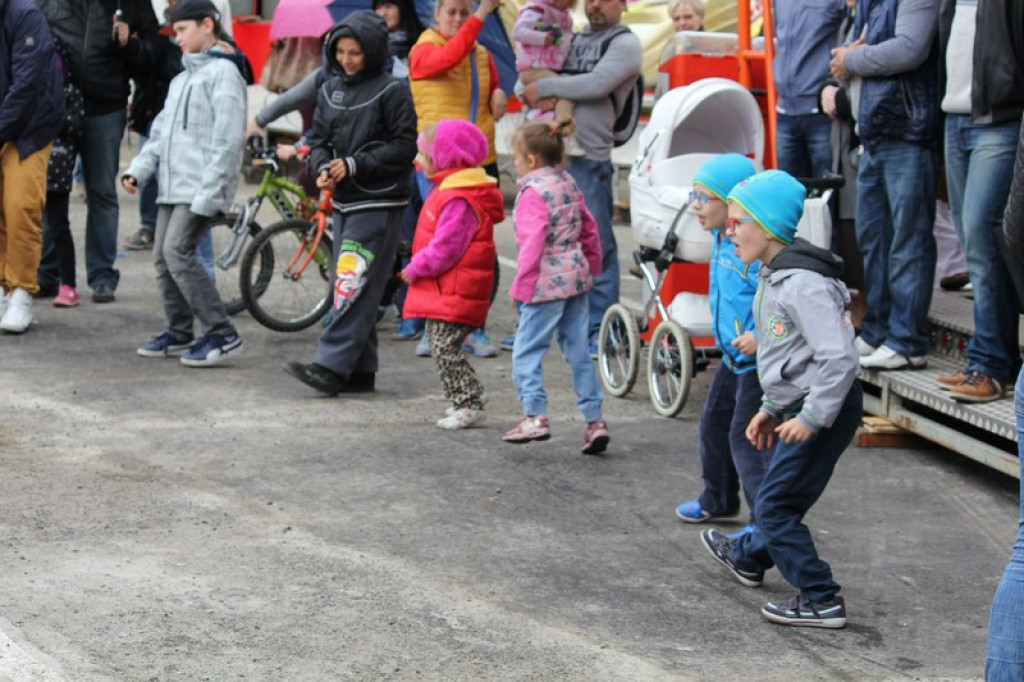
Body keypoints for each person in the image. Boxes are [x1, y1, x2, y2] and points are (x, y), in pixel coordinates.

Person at [700, 170, 863, 629]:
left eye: (736, 223)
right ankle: (750, 557)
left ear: (767, 227)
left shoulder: (801, 284)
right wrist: (771, 408)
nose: (727, 232)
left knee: (774, 505)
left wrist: (811, 417)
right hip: (804, 404)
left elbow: (838, 358)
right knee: (781, 498)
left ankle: (820, 596)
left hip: (824, 405)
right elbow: (792, 352)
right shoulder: (776, 275)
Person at [284, 11, 417, 395]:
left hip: (378, 201)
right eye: (340, 51)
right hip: (343, 201)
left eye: (355, 52)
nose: (346, 60)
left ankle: (330, 366)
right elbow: (320, 138)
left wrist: (356, 164)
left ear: (373, 50)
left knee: (350, 281)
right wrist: (323, 165)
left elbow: (405, 147)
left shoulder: (394, 90)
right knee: (355, 280)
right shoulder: (330, 88)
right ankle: (360, 369)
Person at [122, 0, 246, 367]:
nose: (176, 39)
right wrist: (139, 169)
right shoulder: (182, 78)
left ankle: (222, 332)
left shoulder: (224, 75)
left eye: (182, 30)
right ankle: (179, 332)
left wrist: (211, 192)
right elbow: (160, 133)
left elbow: (228, 140)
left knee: (178, 252)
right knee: (163, 257)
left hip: (200, 188)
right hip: (172, 186)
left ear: (208, 25)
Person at [521, 0, 643, 352]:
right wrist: (534, 86)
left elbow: (596, 84)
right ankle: (538, 328)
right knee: (541, 246)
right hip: (550, 159)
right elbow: (529, 74)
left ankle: (600, 332)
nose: (595, 5)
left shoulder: (625, 42)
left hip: (590, 158)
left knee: (596, 247)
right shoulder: (572, 38)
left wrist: (548, 87)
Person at [830, 0, 942, 371]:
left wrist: (854, 59)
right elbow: (851, 54)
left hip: (906, 131)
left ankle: (907, 341)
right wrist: (852, 58)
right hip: (874, 134)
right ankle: (878, 331)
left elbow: (908, 49)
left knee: (907, 240)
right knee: (874, 240)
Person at [673, 154, 771, 532]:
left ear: (733, 205)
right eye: (693, 194)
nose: (696, 205)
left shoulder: (753, 248)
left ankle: (765, 523)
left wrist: (761, 336)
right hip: (732, 358)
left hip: (758, 362)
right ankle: (718, 497)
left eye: (705, 196)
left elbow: (783, 303)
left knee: (747, 440)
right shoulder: (718, 239)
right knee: (713, 426)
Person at [37, 0, 159, 303]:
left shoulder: (130, 4)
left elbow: (152, 57)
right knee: (50, 192)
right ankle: (47, 274)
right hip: (57, 106)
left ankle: (102, 275)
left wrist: (130, 45)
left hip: (105, 107)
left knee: (102, 192)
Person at [933, 0, 1023, 403]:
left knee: (982, 233)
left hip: (1000, 118)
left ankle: (992, 365)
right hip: (956, 118)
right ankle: (985, 360)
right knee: (973, 241)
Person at [501, 119, 609, 453]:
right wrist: (592, 265)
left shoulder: (532, 192)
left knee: (527, 349)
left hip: (544, 282)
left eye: (517, 158)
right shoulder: (567, 182)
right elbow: (589, 228)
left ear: (531, 160)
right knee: (577, 350)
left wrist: (521, 286)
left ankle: (534, 415)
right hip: (575, 276)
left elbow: (532, 244)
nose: (515, 164)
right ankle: (594, 420)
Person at [407, 0, 508, 357]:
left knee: (476, 252)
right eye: (451, 11)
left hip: (479, 165)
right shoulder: (423, 49)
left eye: (465, 12)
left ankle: (472, 327)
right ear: (435, 15)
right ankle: (433, 325)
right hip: (438, 169)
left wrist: (499, 93)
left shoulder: (480, 50)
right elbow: (449, 56)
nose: (459, 18)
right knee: (440, 246)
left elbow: (494, 84)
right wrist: (481, 15)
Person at [400, 120, 504, 428]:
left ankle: (468, 402)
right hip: (450, 287)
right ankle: (465, 396)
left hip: (457, 287)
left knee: (443, 345)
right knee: (439, 342)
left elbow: (446, 248)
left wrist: (416, 267)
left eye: (423, 154)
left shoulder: (459, 198)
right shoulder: (449, 190)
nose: (417, 161)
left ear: (445, 158)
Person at [0, 0, 64, 333]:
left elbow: (25, 85)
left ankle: (22, 291)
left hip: (30, 128)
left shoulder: (25, 14)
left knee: (20, 206)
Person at [773, 0, 848, 180]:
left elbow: (851, 35)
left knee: (825, 194)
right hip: (785, 109)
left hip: (821, 109)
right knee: (787, 194)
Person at [43, 36, 85, 309]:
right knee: (23, 225)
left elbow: (73, 128)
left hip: (55, 169)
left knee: (58, 226)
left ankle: (68, 284)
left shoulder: (69, 93)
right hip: (28, 166)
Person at [512, 0, 575, 123]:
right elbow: (517, 32)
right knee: (567, 90)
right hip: (533, 68)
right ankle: (564, 122)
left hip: (548, 67)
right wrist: (541, 38)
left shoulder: (563, 14)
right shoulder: (537, 10)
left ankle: (536, 123)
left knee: (548, 102)